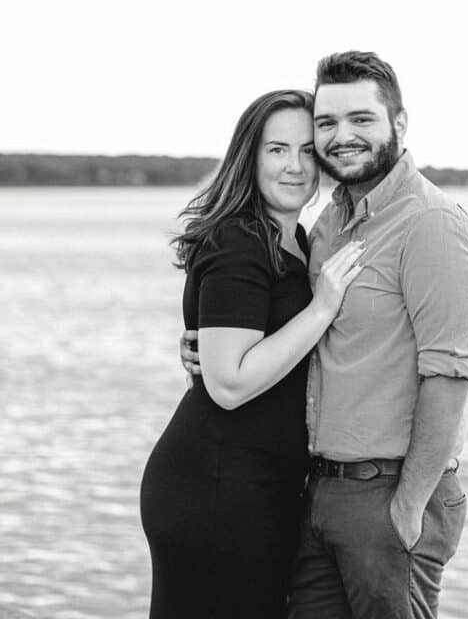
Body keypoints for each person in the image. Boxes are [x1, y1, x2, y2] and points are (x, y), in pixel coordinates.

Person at [181, 52, 468, 619]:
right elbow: (295, 328)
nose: (341, 136)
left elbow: (449, 376)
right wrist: (209, 347)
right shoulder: (327, 223)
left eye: (361, 120)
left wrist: (408, 507)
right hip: (317, 493)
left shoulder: (431, 224)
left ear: (398, 124)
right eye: (327, 124)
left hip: (389, 492)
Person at [140, 89, 364, 619]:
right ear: (249, 156)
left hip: (259, 488)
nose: (294, 166)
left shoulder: (299, 240)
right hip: (216, 490)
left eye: (308, 151)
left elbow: (249, 353)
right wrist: (322, 308)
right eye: (277, 150)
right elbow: (229, 384)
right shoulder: (240, 238)